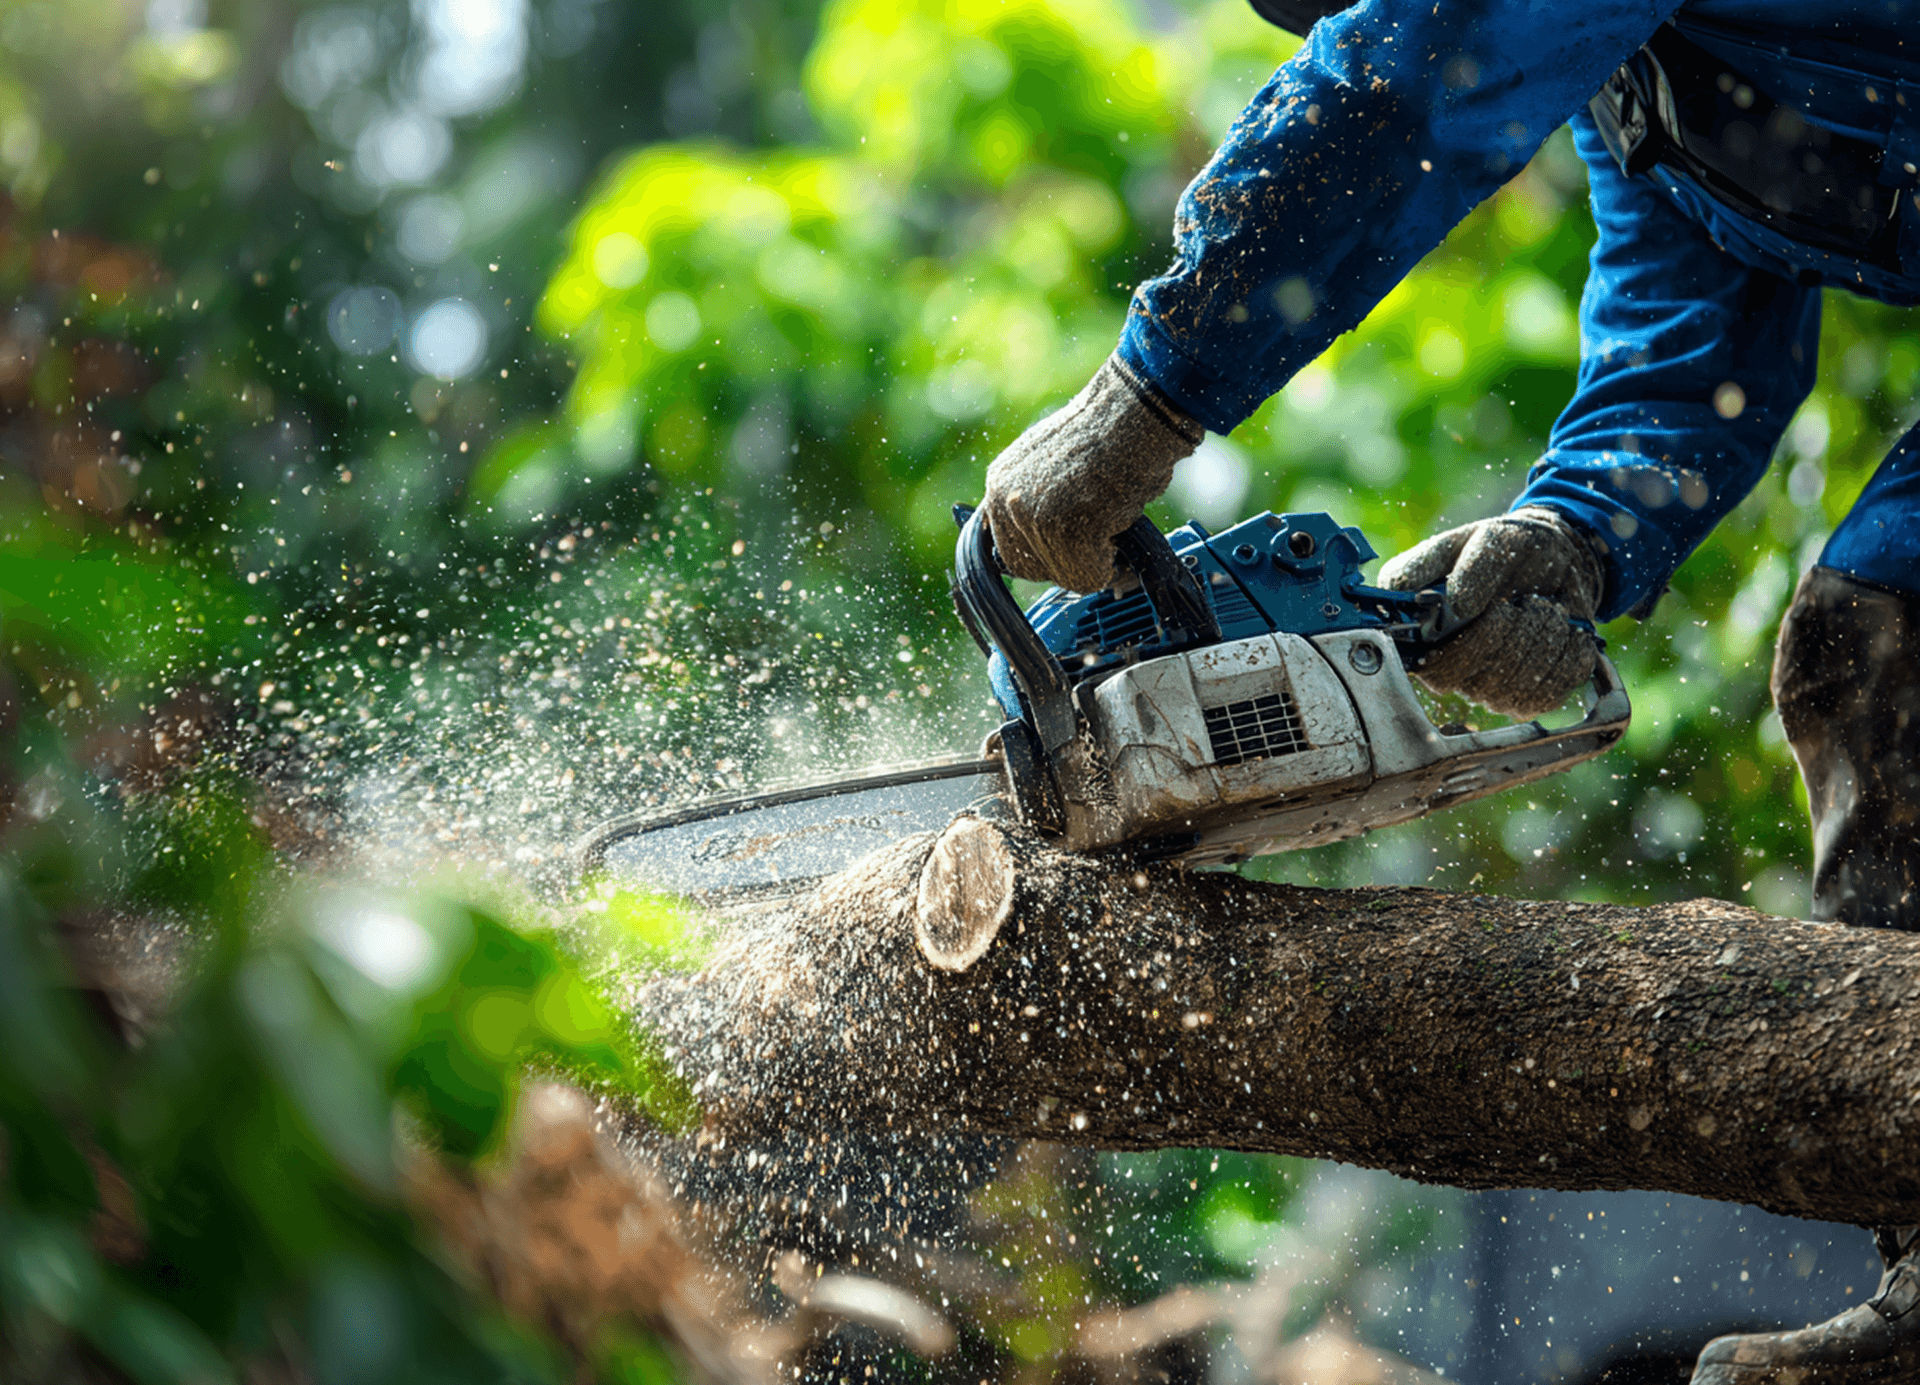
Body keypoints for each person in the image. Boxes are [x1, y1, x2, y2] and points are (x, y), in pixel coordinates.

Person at [977, 0, 1920, 1380]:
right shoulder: (1654, 78)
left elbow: (1415, 76)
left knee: (1886, 623)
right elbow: (1696, 336)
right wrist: (1577, 540)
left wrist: (1148, 393)